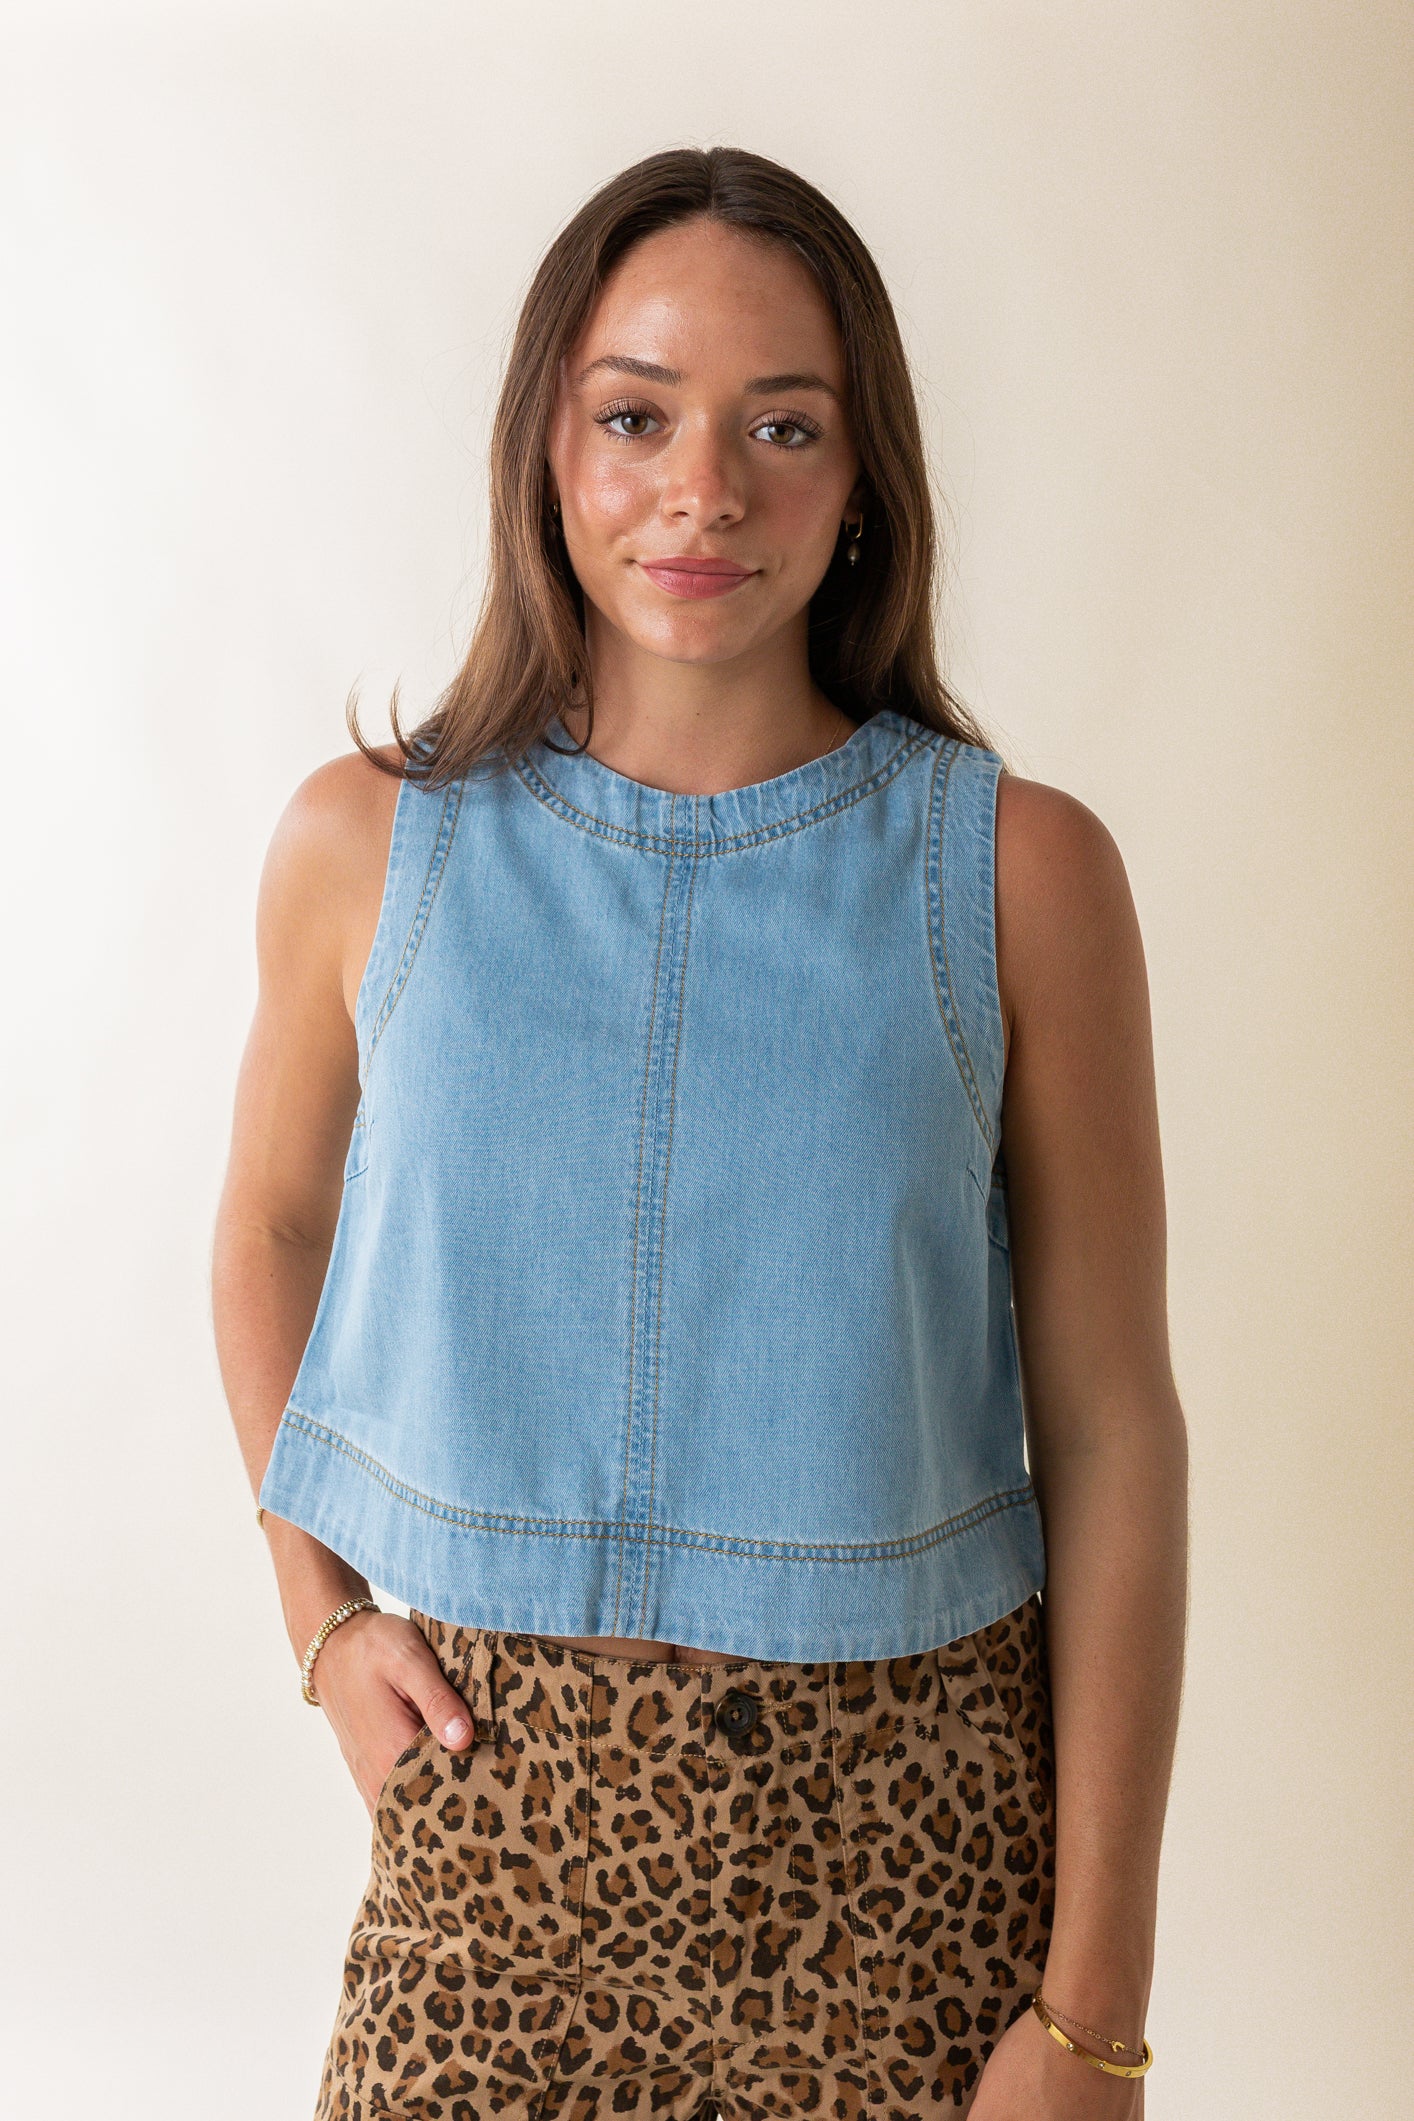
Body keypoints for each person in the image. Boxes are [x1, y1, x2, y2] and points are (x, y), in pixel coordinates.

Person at [212, 145, 1187, 2120]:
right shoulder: (367, 843)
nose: (705, 489)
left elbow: (1107, 1425)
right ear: (545, 447)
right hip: (490, 1846)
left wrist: (1092, 2011)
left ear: (861, 474)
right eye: (636, 415)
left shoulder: (1015, 876)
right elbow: (271, 1224)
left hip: (903, 1873)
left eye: (782, 425)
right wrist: (323, 1618)